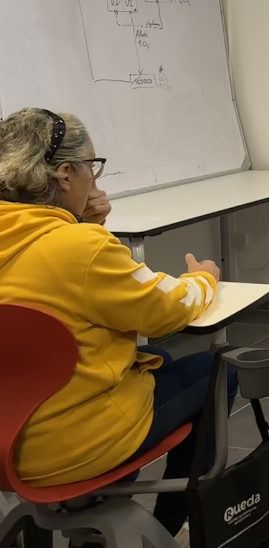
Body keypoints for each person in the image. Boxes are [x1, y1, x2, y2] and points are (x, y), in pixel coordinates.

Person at [0, 107, 234, 541]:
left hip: (5, 443)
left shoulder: (44, 239)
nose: (95, 178)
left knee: (155, 359)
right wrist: (204, 278)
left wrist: (84, 223)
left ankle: (86, 519)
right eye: (91, 166)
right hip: (69, 447)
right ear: (65, 174)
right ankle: (167, 528)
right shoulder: (80, 247)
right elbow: (167, 308)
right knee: (218, 372)